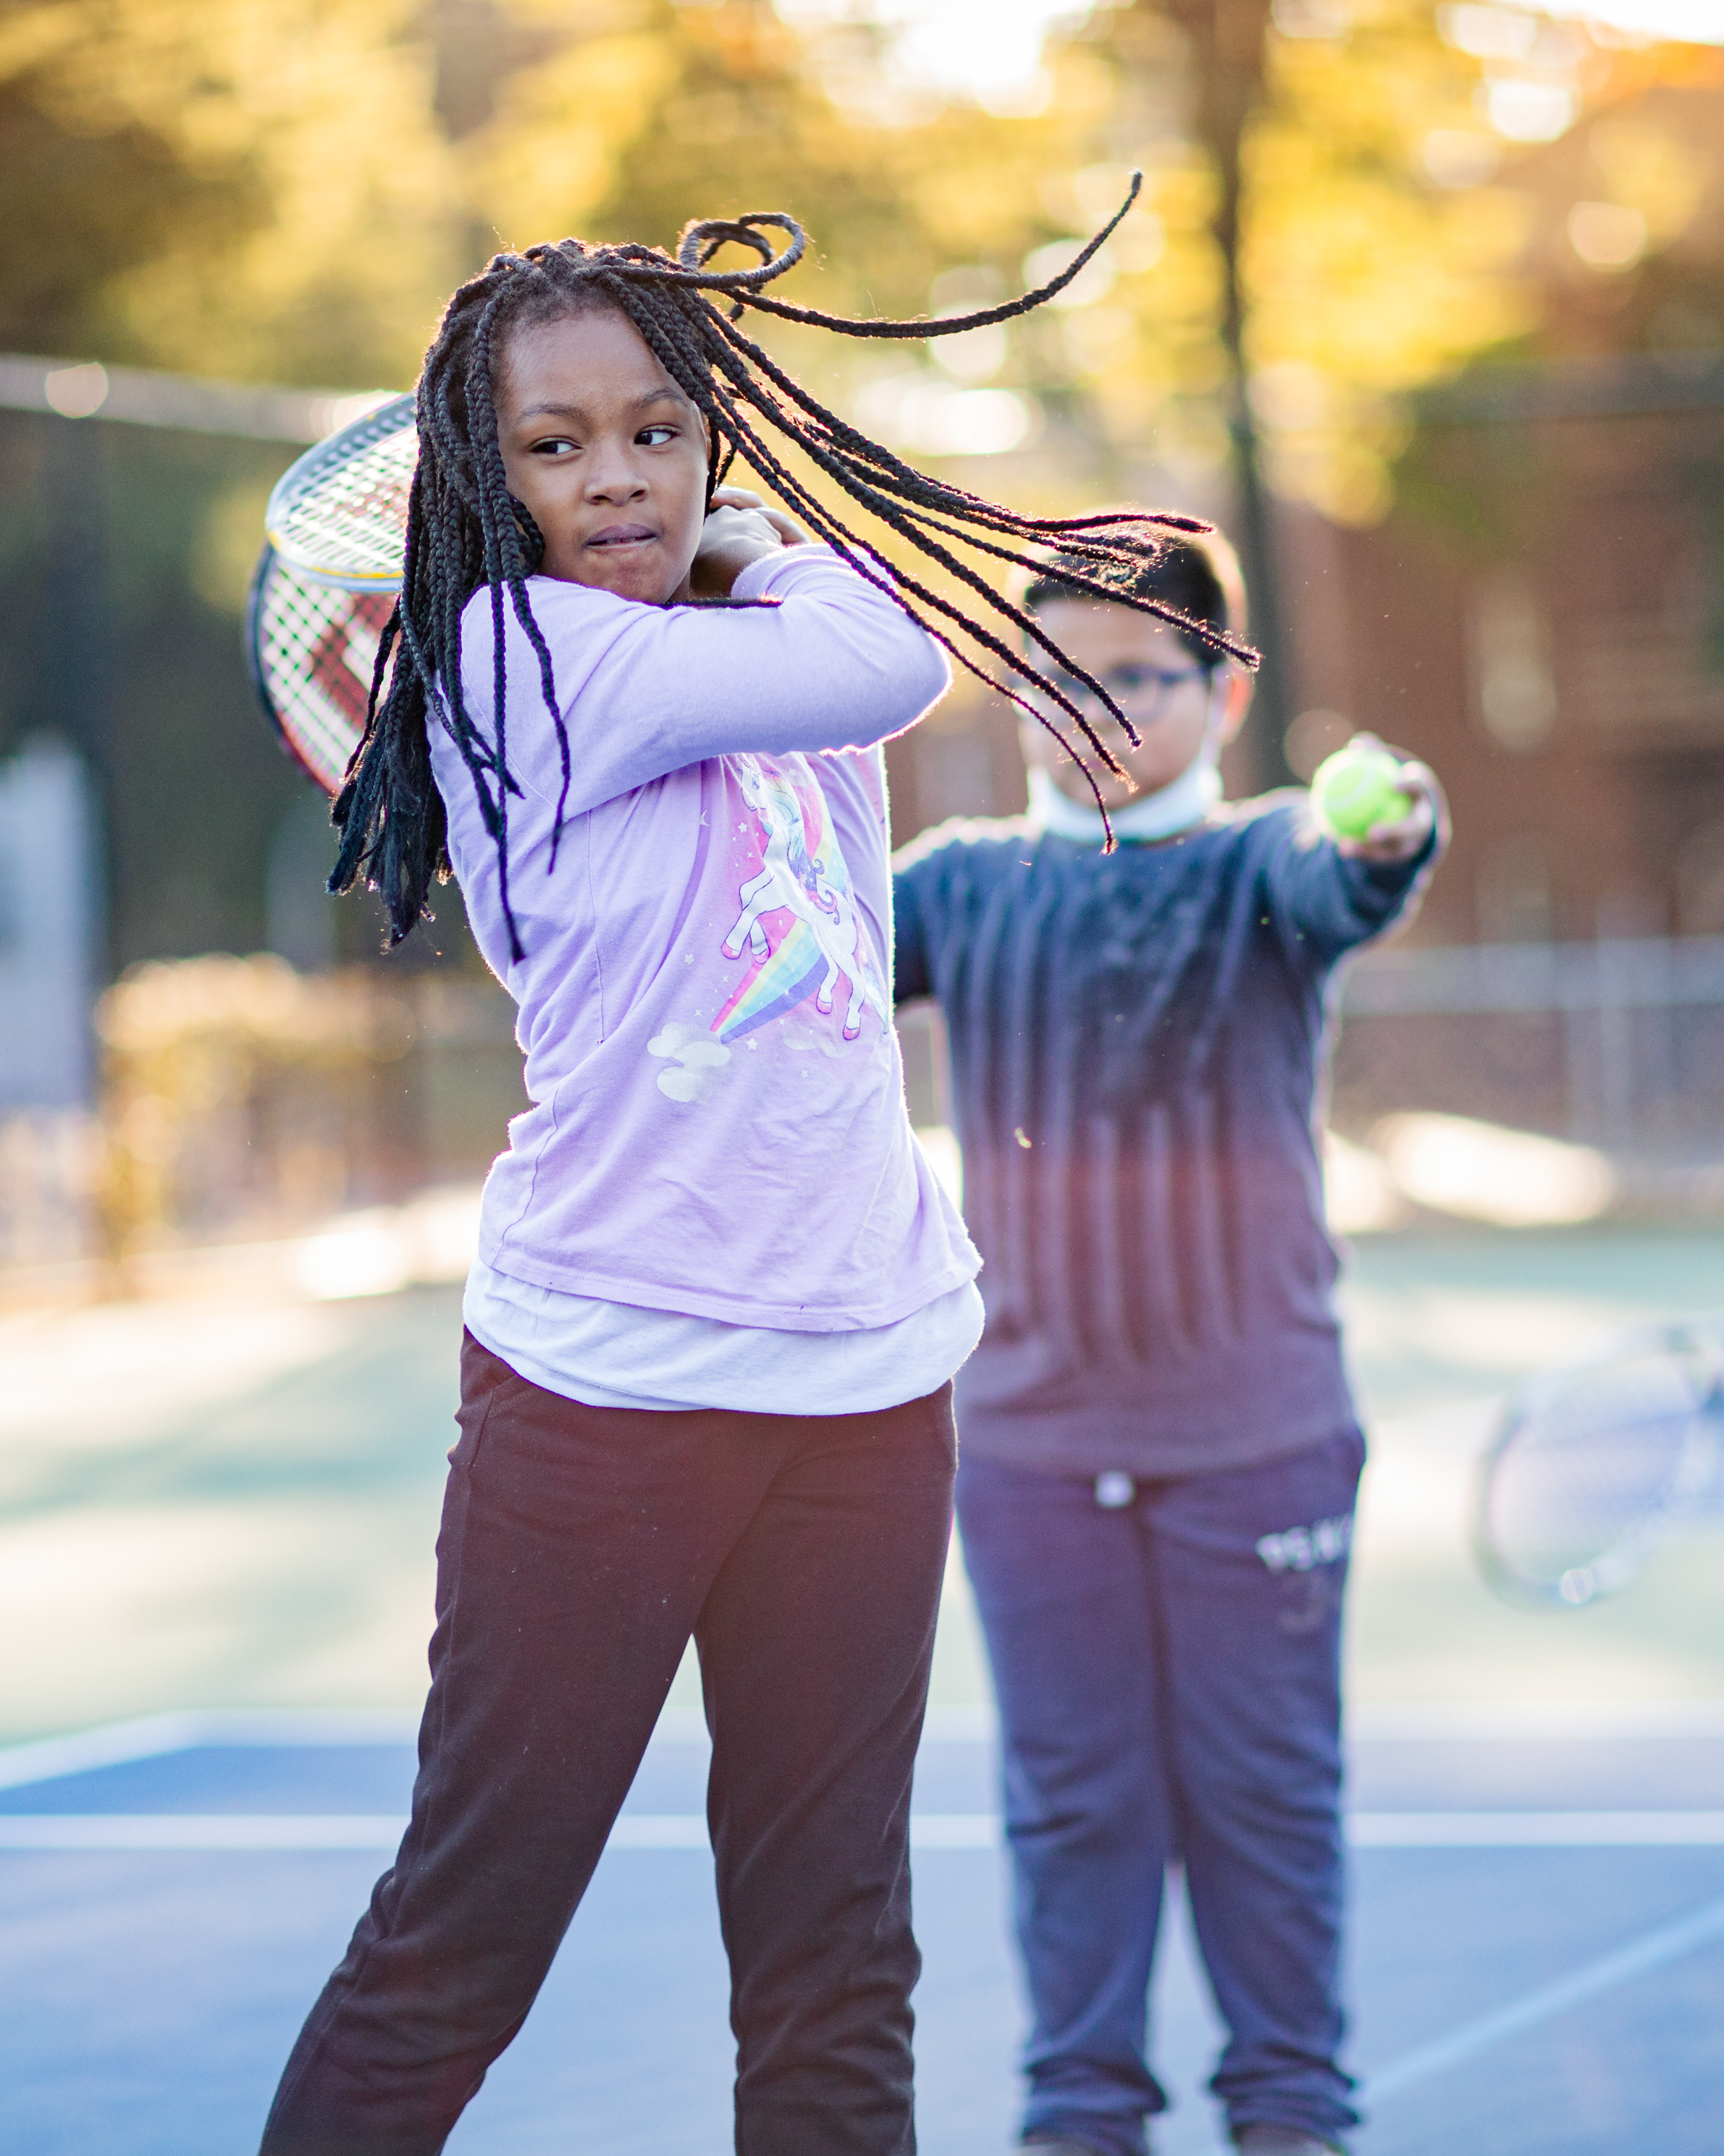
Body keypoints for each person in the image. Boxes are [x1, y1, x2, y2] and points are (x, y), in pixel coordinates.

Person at [261, 204, 1227, 2155]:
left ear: (715, 423)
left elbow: (873, 666)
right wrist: (750, 543)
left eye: (652, 426)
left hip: (864, 1376)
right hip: (607, 1383)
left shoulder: (742, 633)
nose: (611, 474)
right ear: (482, 476)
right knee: (467, 1932)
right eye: (552, 443)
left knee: (836, 1949)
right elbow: (893, 656)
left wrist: (736, 552)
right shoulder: (517, 650)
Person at [890, 534, 1442, 2156]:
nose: (1100, 704)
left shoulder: (1267, 859)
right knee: (1073, 1807)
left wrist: (1397, 812)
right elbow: (784, 948)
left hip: (1258, 1434)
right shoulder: (956, 884)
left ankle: (1290, 2114)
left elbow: (1357, 866)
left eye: (1141, 672)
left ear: (1218, 690)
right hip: (1029, 1453)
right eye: (1062, 669)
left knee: (1264, 1803)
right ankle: (1078, 2113)